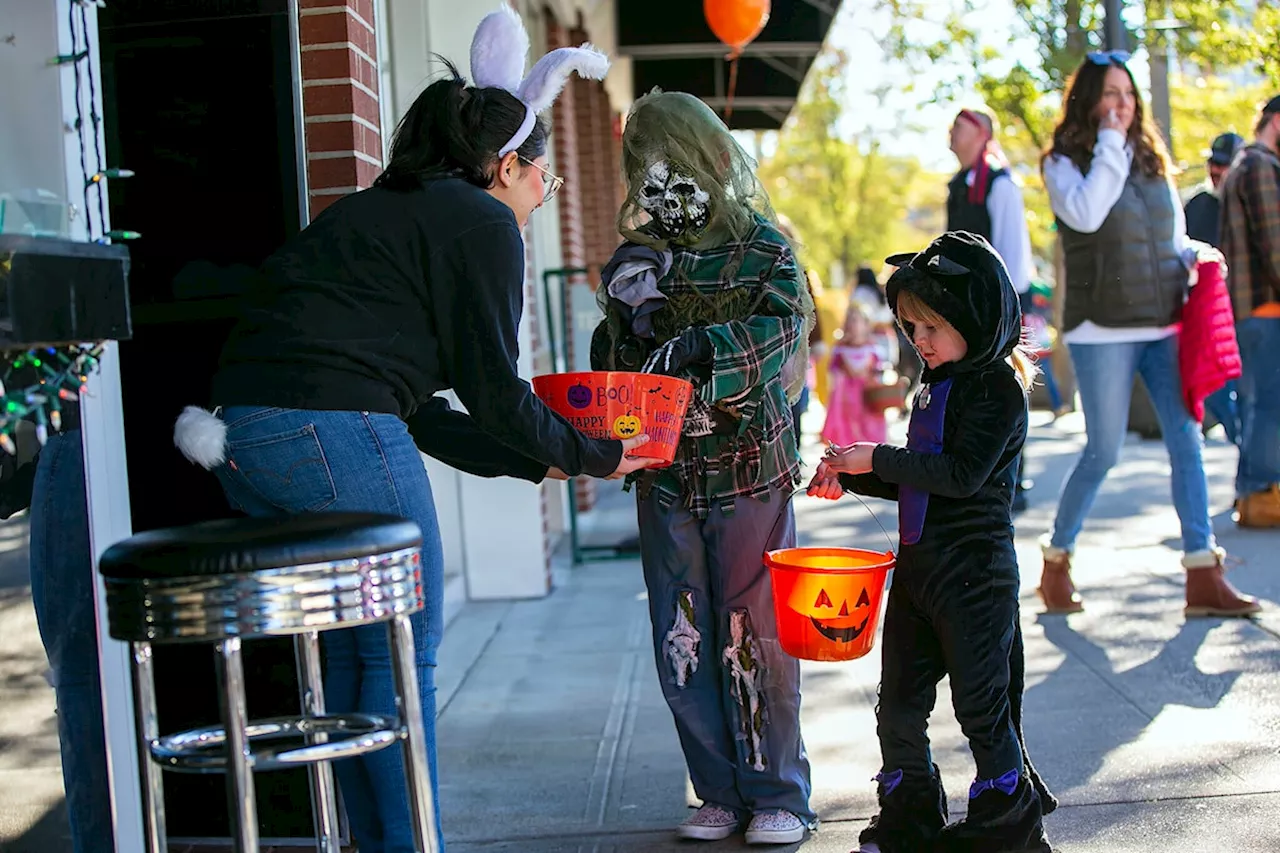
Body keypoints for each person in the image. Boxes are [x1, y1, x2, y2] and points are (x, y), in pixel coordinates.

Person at [172, 9, 661, 851]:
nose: (547, 194)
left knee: (365, 652)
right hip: (331, 428)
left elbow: (425, 411)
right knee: (405, 652)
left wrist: (535, 468)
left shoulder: (385, 211)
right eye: (543, 176)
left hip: (243, 437)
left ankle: (378, 839)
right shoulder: (481, 224)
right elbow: (494, 389)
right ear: (508, 166)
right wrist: (598, 455)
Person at [590, 90, 817, 846]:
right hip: (666, 476)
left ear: (714, 163)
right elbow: (613, 364)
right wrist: (629, 327)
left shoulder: (764, 247)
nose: (662, 191)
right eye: (647, 176)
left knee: (754, 632)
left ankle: (777, 790)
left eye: (677, 169)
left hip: (749, 470)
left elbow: (783, 329)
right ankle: (717, 787)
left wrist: (706, 347)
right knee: (680, 632)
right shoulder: (639, 259)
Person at [808, 232, 1056, 853]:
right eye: (910, 326)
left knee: (981, 705)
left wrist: (880, 456)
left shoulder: (996, 388)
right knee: (898, 703)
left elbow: (961, 476)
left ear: (977, 320)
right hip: (919, 573)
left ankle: (1007, 816)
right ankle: (910, 807)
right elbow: (920, 484)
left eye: (931, 327)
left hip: (975, 575)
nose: (918, 340)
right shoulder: (933, 383)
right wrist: (852, 471)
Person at [1036, 51, 1259, 617]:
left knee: (1187, 440)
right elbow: (1086, 214)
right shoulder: (1062, 162)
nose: (1122, 105)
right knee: (1103, 451)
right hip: (1100, 329)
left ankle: (1203, 575)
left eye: (1128, 95)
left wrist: (1194, 255)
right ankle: (1057, 560)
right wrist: (1110, 144)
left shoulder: (1152, 158)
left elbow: (1170, 233)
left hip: (1163, 321)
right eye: (1110, 94)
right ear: (1088, 100)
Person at [946, 108, 1036, 511]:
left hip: (997, 307)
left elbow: (1012, 253)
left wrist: (1008, 312)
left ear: (981, 134)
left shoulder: (1001, 185)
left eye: (958, 128)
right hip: (962, 307)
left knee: (1003, 389)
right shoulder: (958, 186)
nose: (951, 134)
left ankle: (1010, 480)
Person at [1219, 95, 1280, 528]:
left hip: (1254, 307)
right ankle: (1260, 495)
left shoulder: (1246, 164)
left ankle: (1251, 493)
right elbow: (1276, 243)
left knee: (1259, 402)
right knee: (1266, 404)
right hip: (1264, 306)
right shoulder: (1260, 165)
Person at [1185, 131, 1246, 444]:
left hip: (1248, 314)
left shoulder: (1252, 200)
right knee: (1218, 393)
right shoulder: (1197, 204)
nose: (1216, 170)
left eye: (1224, 164)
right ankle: (1241, 438)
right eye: (1213, 163)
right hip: (1208, 317)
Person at [822, 302, 888, 447]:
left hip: (867, 397)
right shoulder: (840, 349)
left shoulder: (873, 348)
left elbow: (879, 371)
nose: (853, 325)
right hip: (845, 400)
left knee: (868, 429)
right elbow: (832, 372)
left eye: (856, 320)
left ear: (866, 324)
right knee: (846, 430)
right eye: (850, 320)